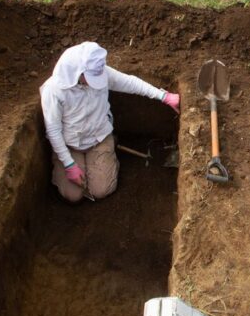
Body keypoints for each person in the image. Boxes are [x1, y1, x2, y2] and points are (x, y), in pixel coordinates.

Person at [40, 41, 179, 203]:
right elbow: (53, 130)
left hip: (99, 138)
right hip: (70, 145)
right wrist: (69, 164)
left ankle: (109, 146)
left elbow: (130, 83)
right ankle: (65, 163)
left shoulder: (100, 72)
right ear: (77, 72)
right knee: (73, 195)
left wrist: (164, 96)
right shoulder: (54, 90)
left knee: (101, 190)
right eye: (91, 77)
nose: (97, 80)